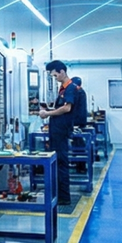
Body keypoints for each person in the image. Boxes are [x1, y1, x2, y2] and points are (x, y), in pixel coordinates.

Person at [31, 60, 84, 208]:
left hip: (61, 132)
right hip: (56, 131)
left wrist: (48, 113)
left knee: (61, 163)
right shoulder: (63, 89)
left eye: (55, 75)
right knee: (57, 163)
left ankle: (64, 197)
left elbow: (67, 109)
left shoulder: (70, 88)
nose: (55, 78)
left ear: (62, 71)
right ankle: (58, 194)